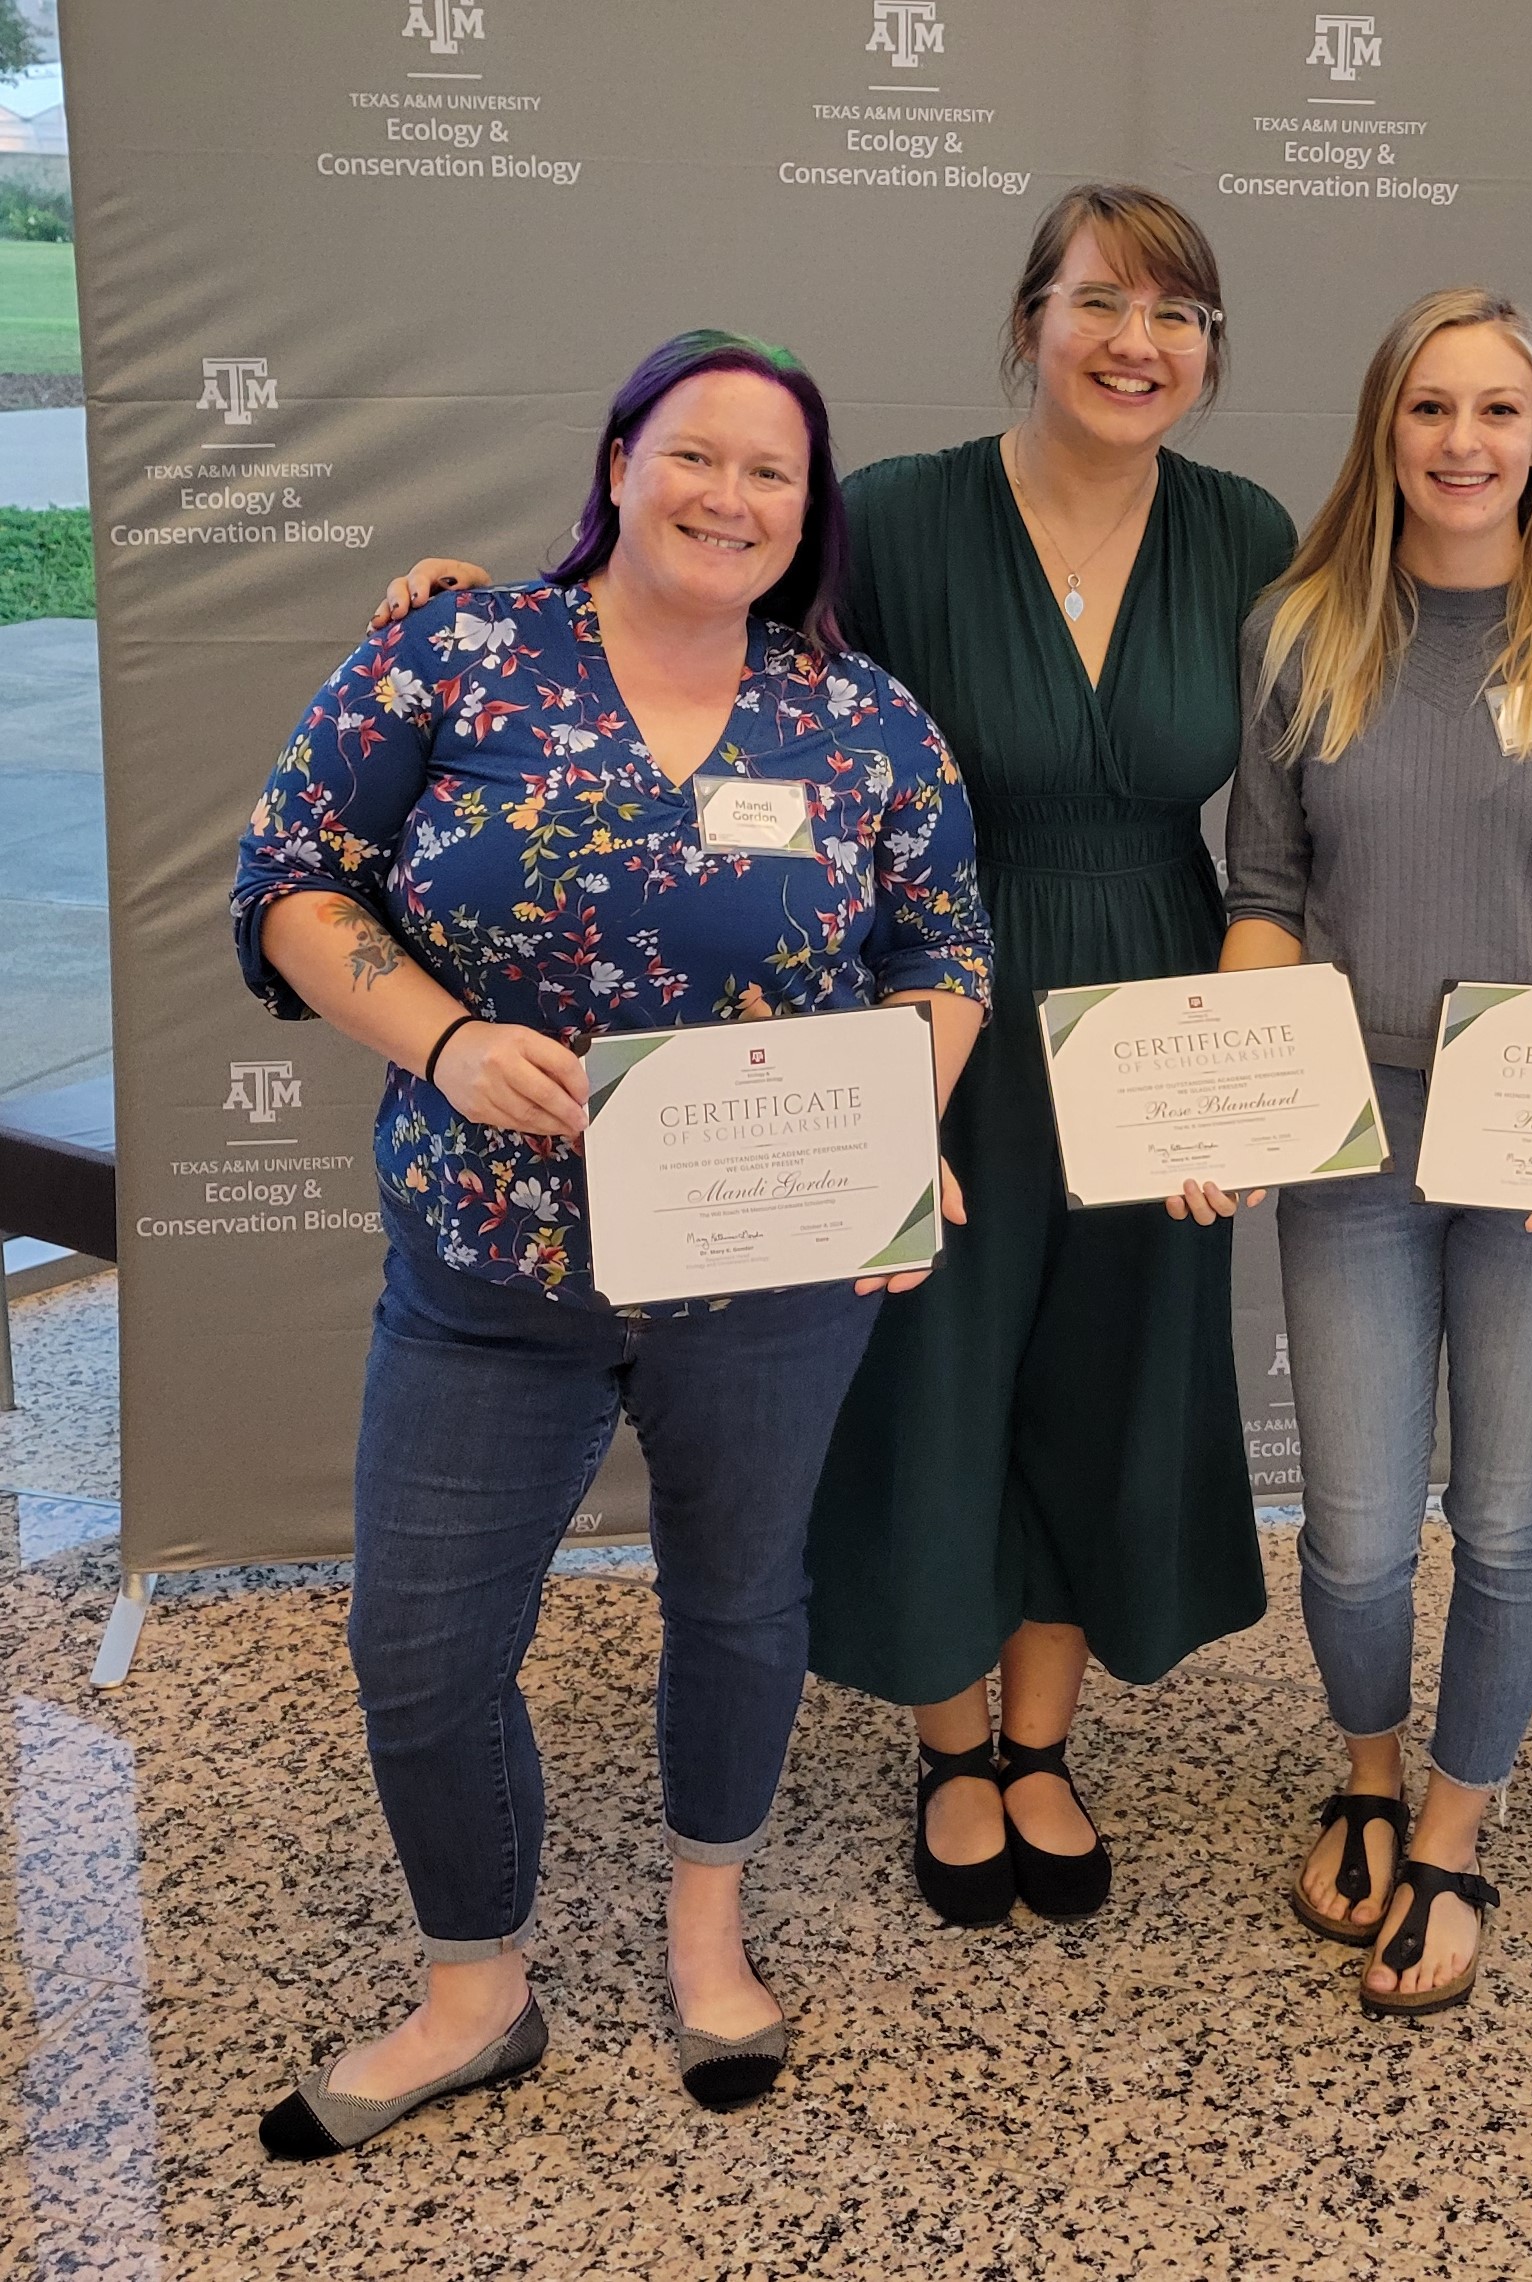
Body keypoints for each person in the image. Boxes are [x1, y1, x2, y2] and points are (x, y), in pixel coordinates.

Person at [372, 187, 1295, 1929]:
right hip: (900, 1004)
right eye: (1098, 299)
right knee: (927, 1369)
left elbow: (1386, 681)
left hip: (1152, 1005)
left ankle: (1042, 1737)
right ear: (1028, 318)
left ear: (1210, 353)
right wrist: (466, 604)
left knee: (1110, 1370)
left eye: (1176, 314)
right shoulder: (890, 516)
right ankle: (952, 1744)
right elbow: (672, 615)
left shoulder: (1248, 534)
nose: (1134, 341)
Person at [234, 331, 991, 2155]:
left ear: (811, 514)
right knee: (418, 1648)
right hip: (488, 1268)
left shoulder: (861, 718)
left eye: (773, 473)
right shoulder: (456, 648)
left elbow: (943, 951)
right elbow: (289, 879)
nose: (729, 496)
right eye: (695, 454)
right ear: (620, 459)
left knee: (737, 1603)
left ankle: (707, 1929)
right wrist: (442, 1037)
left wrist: (900, 1127)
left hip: (770, 1263)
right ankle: (472, 1988)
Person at [1215, 288, 1532, 2016]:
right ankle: (1364, 1764)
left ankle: (1456, 1826)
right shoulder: (1297, 631)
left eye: (1501, 410)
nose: (1466, 442)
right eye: (1432, 408)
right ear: (1384, 427)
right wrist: (1232, 1100)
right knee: (1351, 1529)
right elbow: (1265, 898)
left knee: (1503, 1511)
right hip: (1353, 1121)